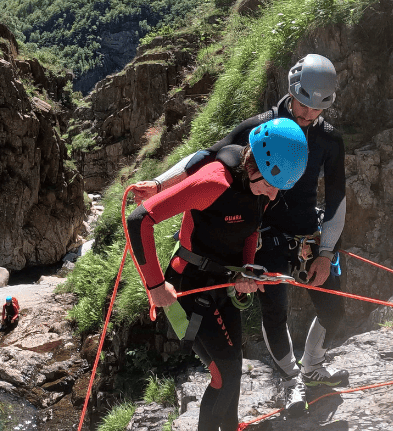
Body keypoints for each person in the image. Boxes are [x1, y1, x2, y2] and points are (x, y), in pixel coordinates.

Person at [133, 54, 347, 415]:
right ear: (292, 91)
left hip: (307, 234)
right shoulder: (262, 128)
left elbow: (339, 196)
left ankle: (312, 366)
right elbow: (206, 158)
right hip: (262, 235)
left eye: (316, 110)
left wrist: (325, 250)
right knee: (274, 312)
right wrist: (160, 184)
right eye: (303, 105)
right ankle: (292, 379)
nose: (308, 115)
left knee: (333, 308)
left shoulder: (328, 139)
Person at [126, 118, 309, 431]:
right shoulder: (213, 182)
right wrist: (155, 286)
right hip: (185, 288)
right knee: (223, 374)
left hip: (220, 284)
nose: (273, 195)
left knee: (232, 367)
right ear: (256, 166)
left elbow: (250, 231)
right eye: (270, 185)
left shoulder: (261, 185)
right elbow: (139, 219)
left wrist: (246, 271)